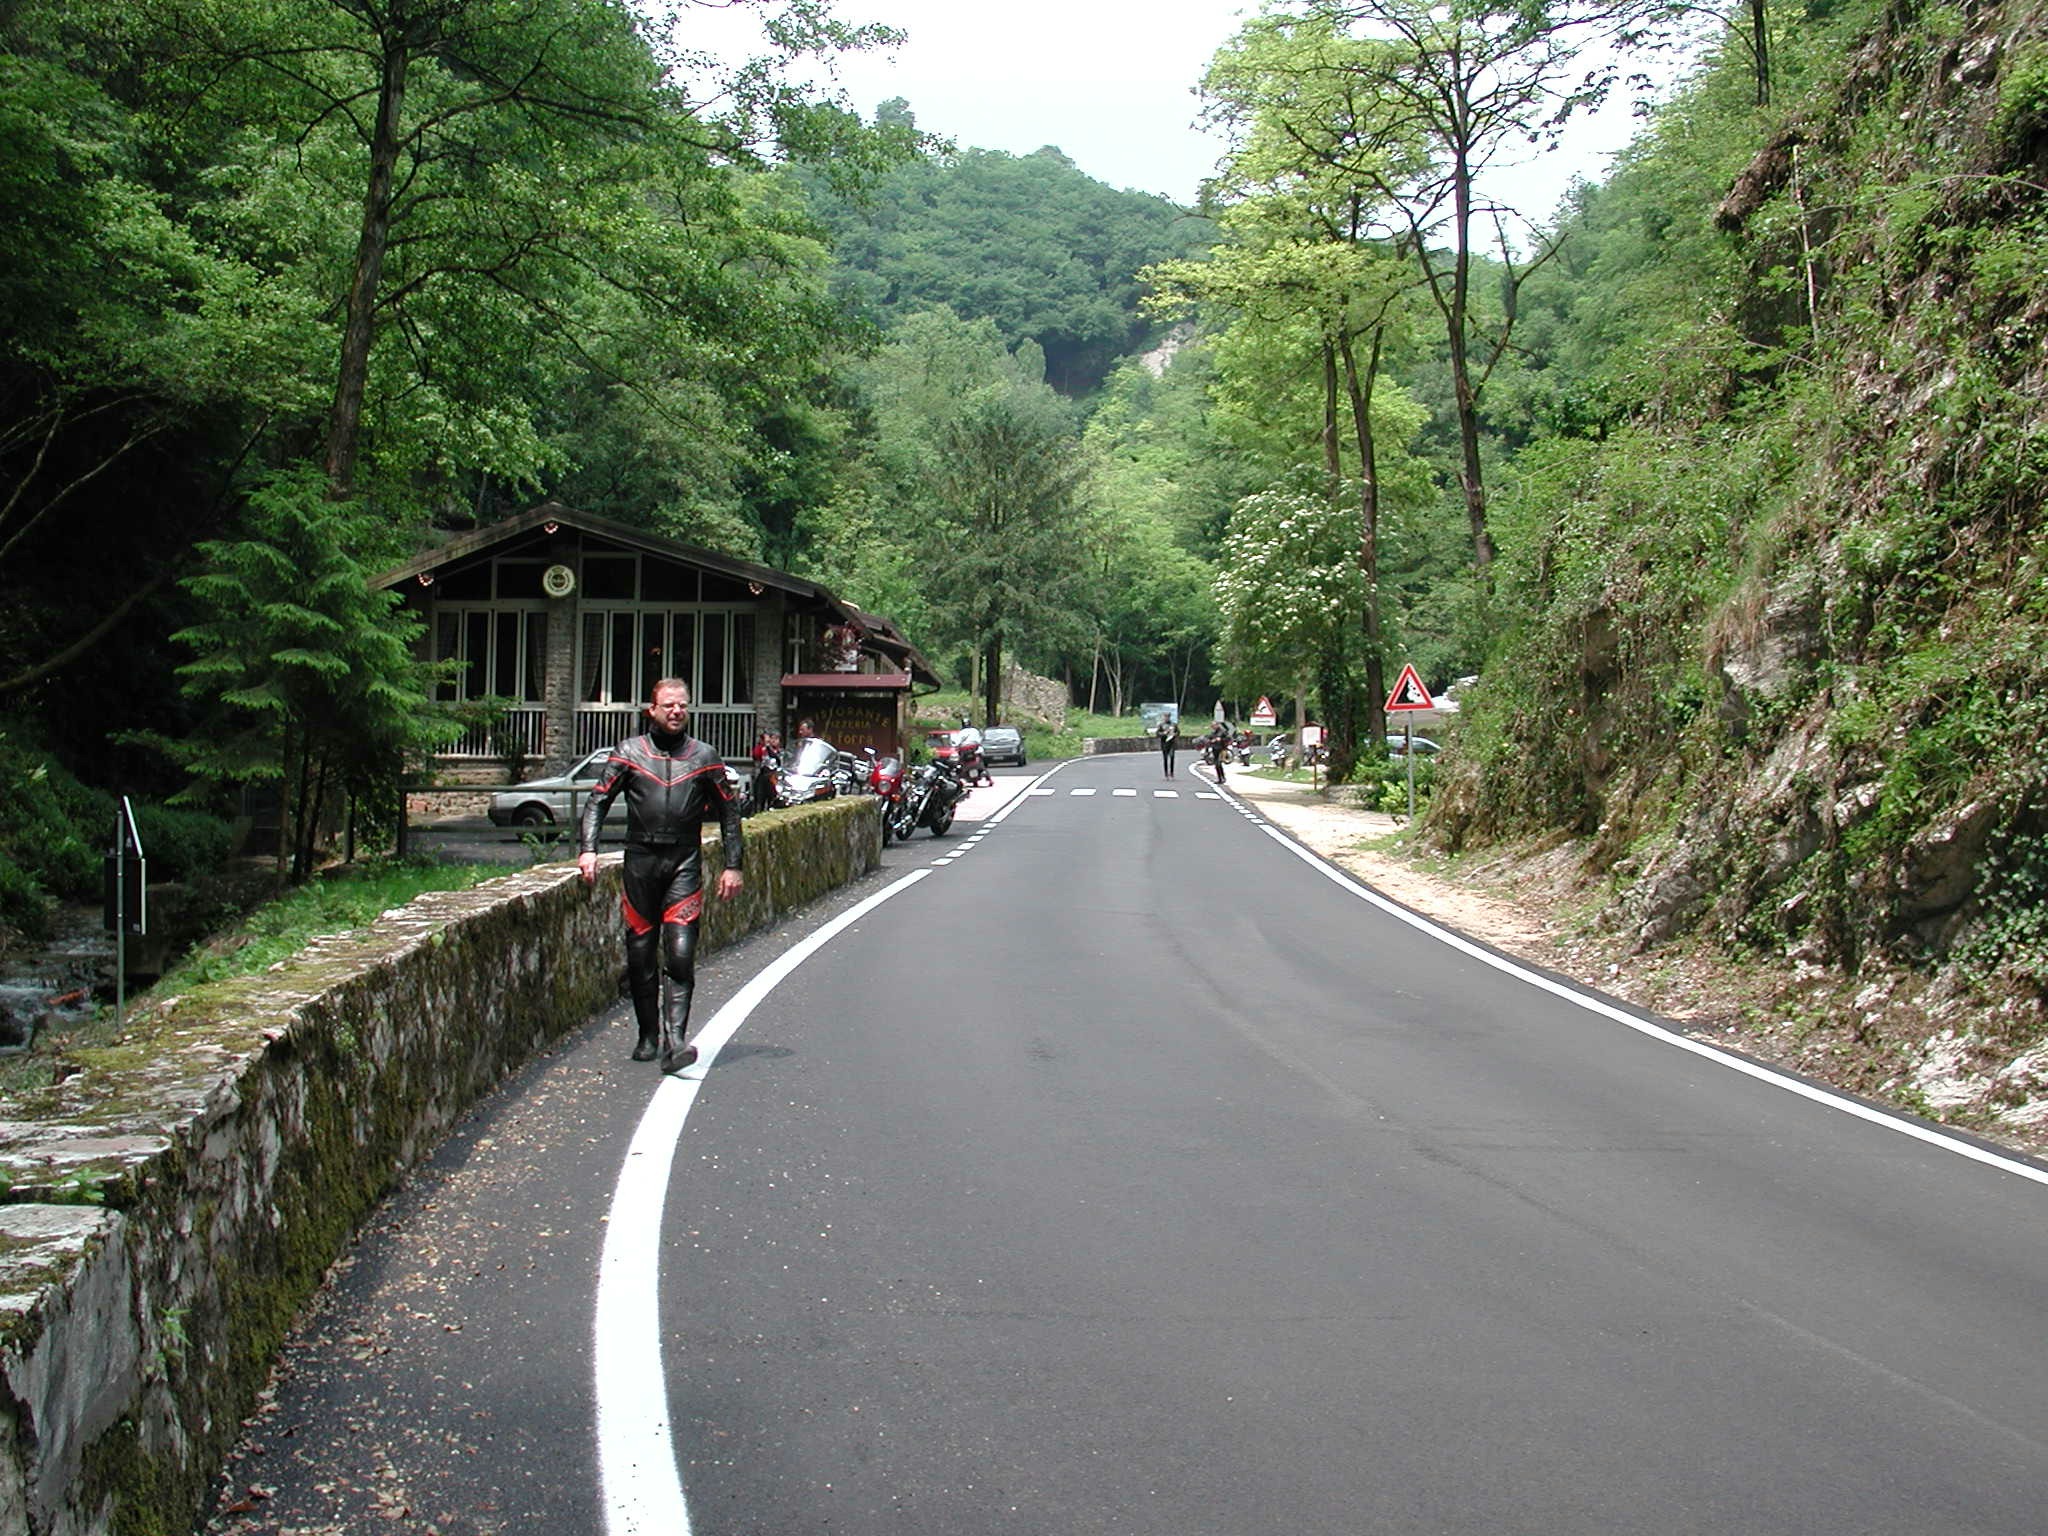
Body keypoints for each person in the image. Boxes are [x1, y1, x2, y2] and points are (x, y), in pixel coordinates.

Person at [578, 679, 743, 1071]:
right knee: (640, 954)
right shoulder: (629, 752)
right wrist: (588, 849)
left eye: (682, 705)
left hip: (684, 861)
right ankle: (648, 1033)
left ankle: (676, 1042)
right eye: (668, 705)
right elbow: (598, 801)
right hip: (640, 862)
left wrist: (733, 865)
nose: (676, 711)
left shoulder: (704, 756)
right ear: (650, 710)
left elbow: (729, 812)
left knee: (681, 954)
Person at [1201, 720, 1230, 785]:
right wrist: (1206, 739)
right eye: (1212, 726)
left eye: (1214, 725)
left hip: (1222, 749)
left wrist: (1221, 739)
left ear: (1217, 725)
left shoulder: (1222, 732)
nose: (1213, 727)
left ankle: (1222, 778)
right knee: (1216, 764)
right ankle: (1220, 778)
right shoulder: (1213, 732)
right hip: (1215, 749)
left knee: (1218, 763)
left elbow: (1228, 738)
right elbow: (1209, 738)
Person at [1156, 712, 1178, 777]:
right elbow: (1157, 733)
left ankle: (1172, 772)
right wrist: (1164, 733)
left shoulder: (1173, 724)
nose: (1166, 718)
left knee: (1172, 757)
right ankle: (1166, 772)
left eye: (1168, 717)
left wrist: (1175, 734)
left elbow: (1178, 732)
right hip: (1164, 743)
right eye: (1165, 716)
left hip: (1172, 743)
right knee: (1165, 758)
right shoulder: (1161, 725)